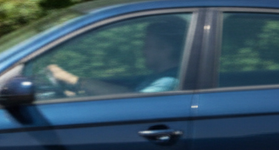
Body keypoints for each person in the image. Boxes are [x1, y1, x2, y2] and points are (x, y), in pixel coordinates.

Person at [45, 17, 186, 97]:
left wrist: (73, 80)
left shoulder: (168, 82)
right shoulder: (155, 77)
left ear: (166, 49)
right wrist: (75, 94)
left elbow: (132, 101)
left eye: (147, 46)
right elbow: (119, 88)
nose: (143, 51)